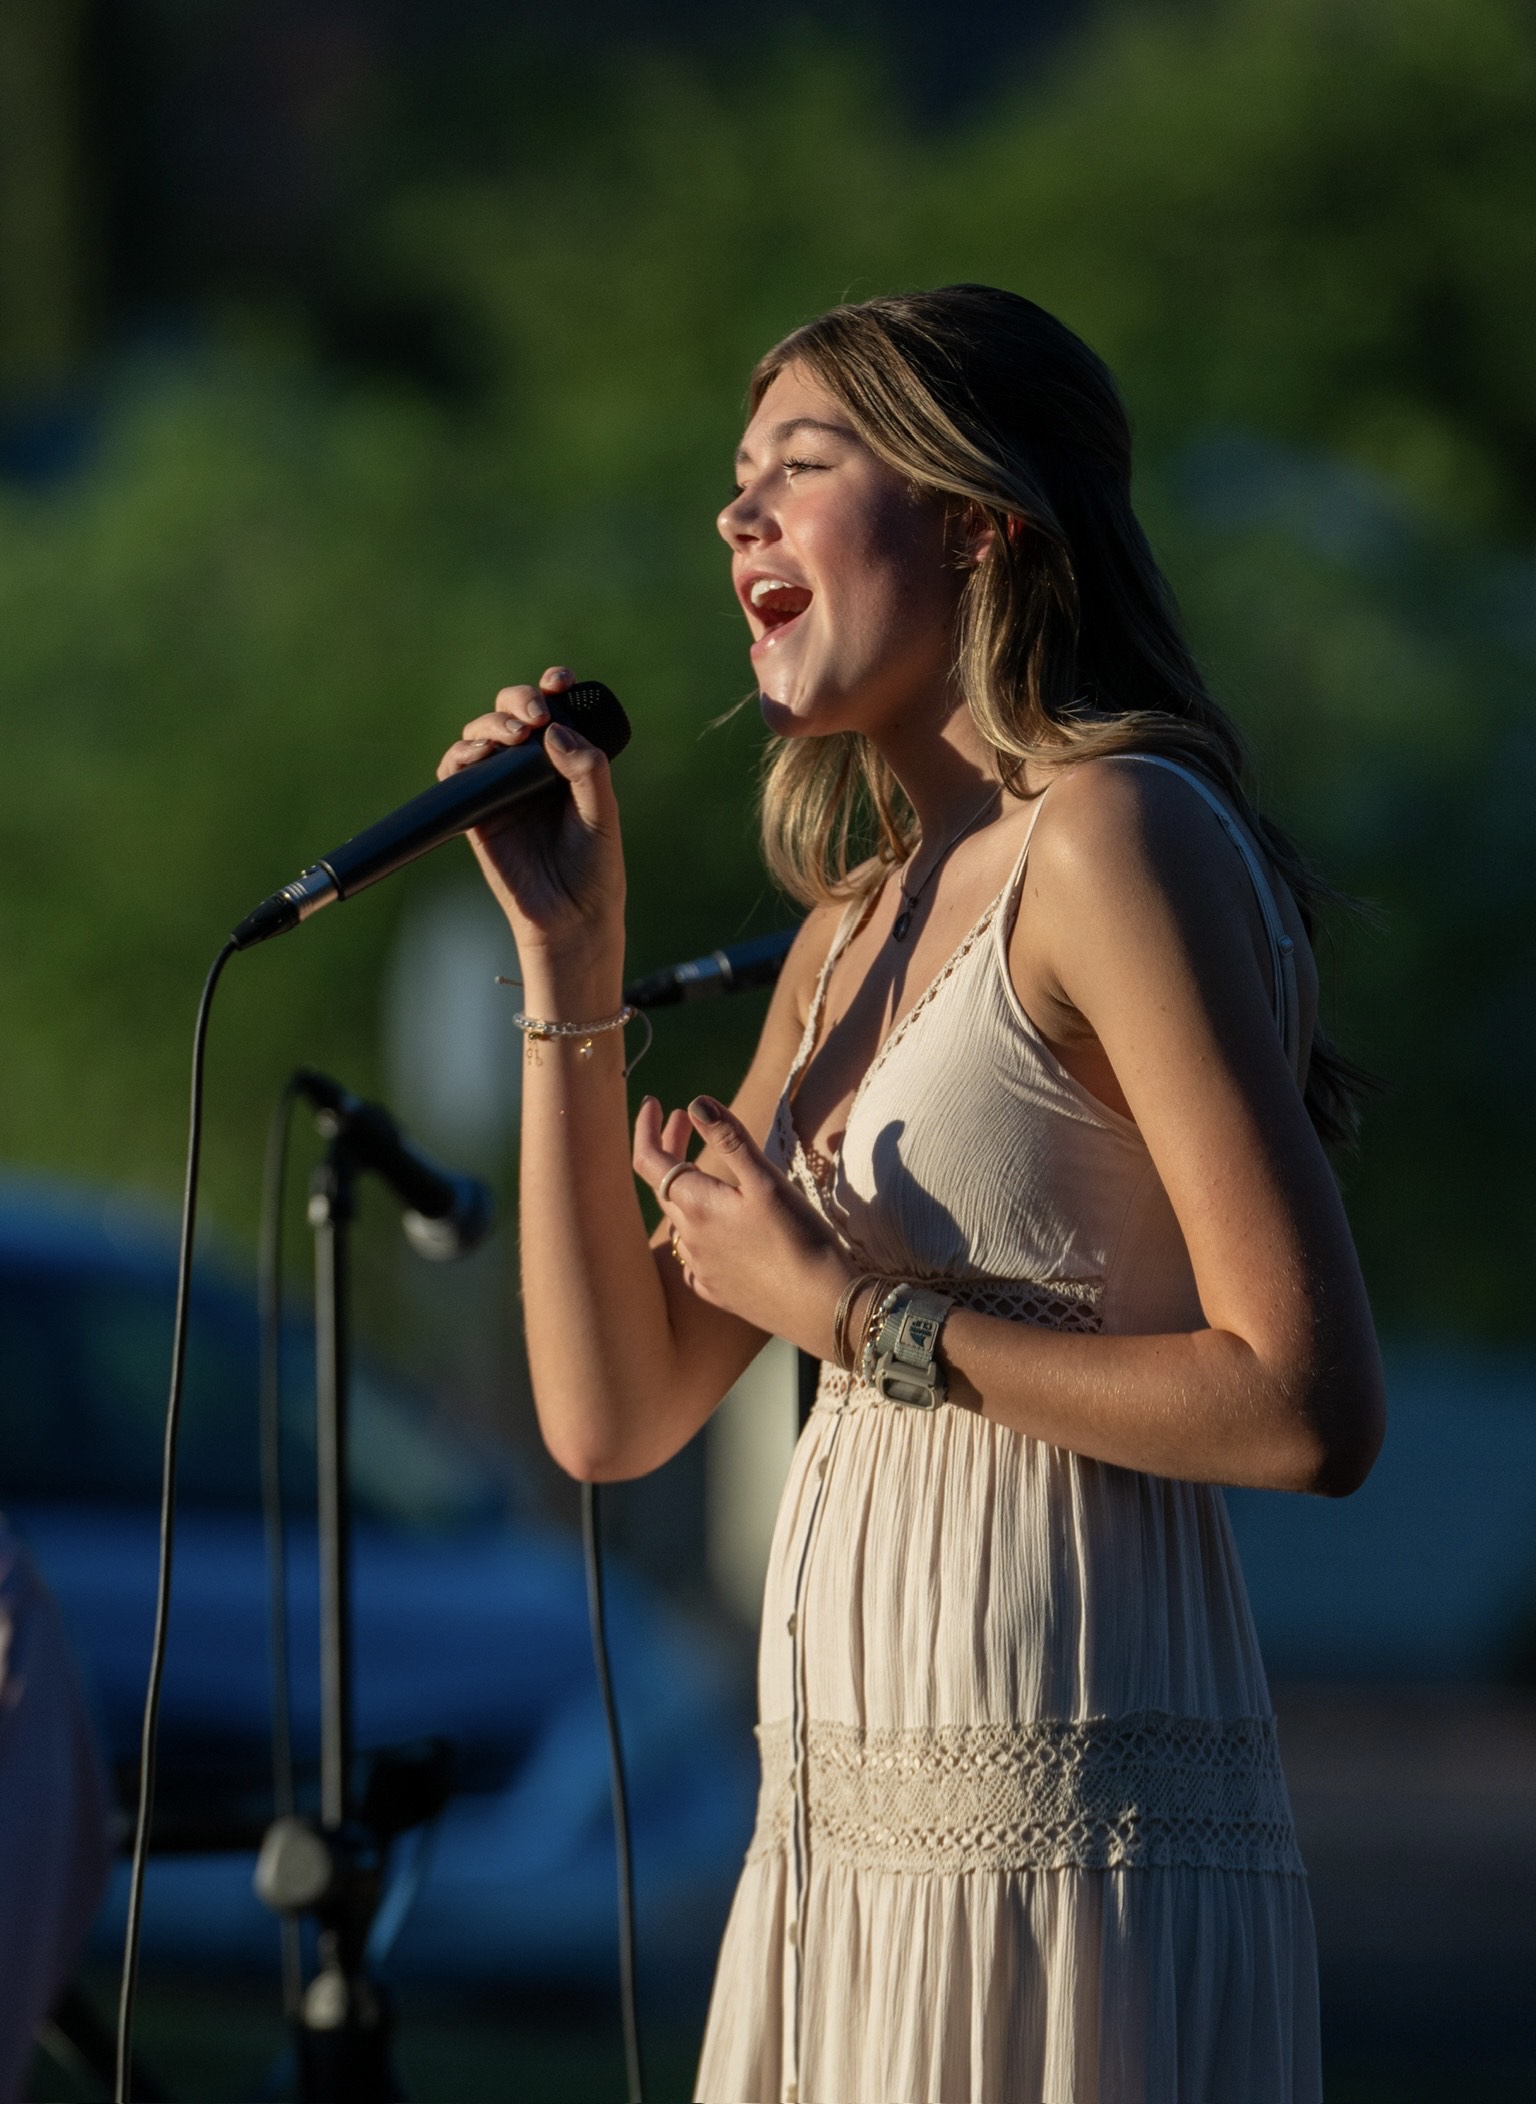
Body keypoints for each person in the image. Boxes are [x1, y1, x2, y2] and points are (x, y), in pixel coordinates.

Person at [437, 285, 1385, 2104]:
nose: (740, 519)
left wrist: (858, 1323)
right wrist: (574, 966)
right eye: (735, 485)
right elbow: (615, 1411)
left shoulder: (1118, 836)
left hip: (1067, 1841)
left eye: (801, 466)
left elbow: (1305, 1403)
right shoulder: (845, 932)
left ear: (978, 516)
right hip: (842, 1865)